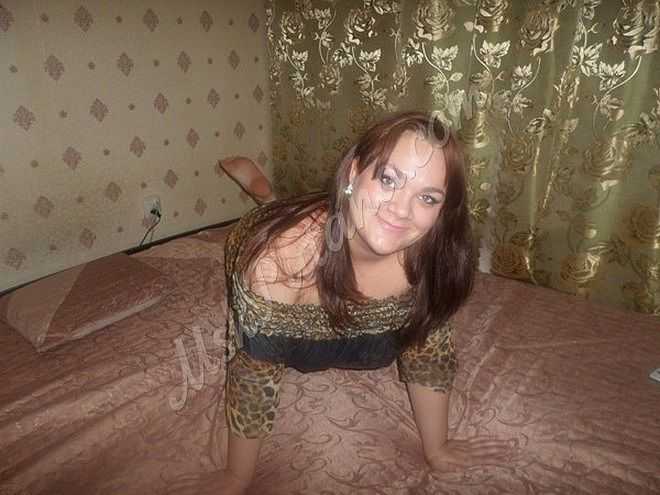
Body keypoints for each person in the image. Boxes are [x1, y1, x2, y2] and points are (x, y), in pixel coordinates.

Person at [219, 111, 513, 494]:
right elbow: (255, 371)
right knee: (271, 216)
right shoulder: (279, 261)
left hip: (334, 222)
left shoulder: (428, 262)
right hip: (272, 240)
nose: (401, 210)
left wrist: (437, 449)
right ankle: (263, 195)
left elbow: (429, 353)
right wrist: (237, 477)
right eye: (388, 179)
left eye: (427, 197)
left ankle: (274, 197)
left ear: (442, 211)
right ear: (354, 172)